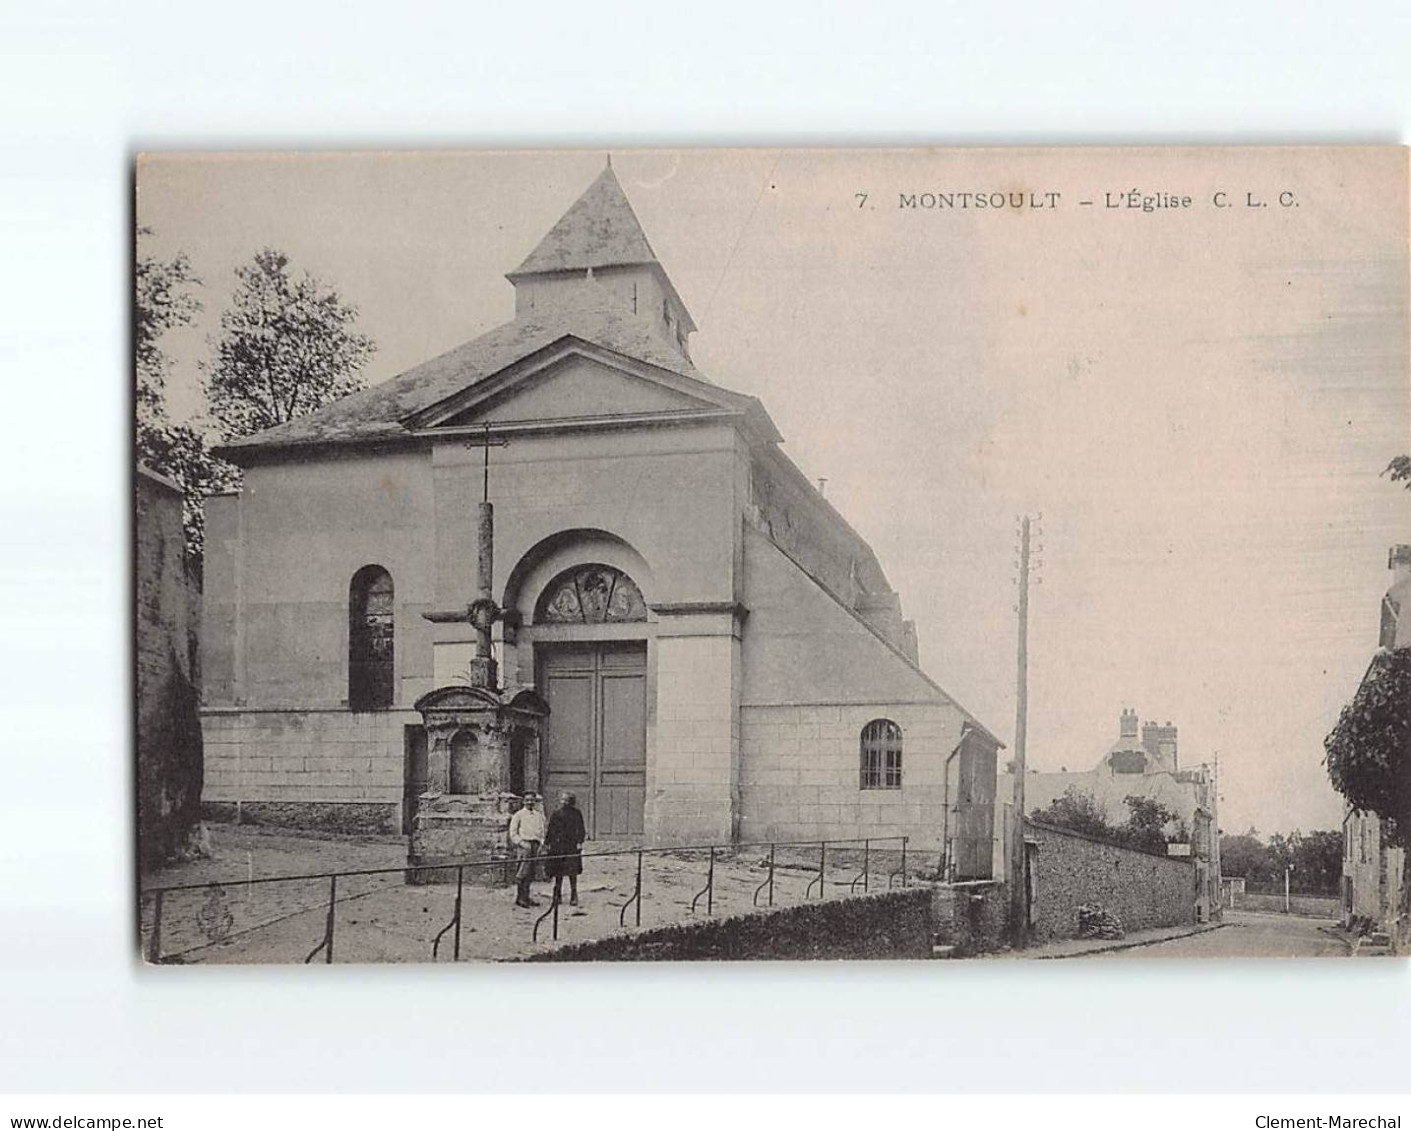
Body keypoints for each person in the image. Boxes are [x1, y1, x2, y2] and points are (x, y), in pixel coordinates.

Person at [544, 792, 587, 907]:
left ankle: (574, 894)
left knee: (572, 872)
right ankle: (557, 894)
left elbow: (581, 829)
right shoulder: (556, 814)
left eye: (566, 800)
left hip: (571, 846)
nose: (564, 802)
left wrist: (579, 842)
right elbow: (550, 829)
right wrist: (547, 843)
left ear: (571, 802)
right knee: (558, 871)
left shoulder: (577, 814)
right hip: (558, 846)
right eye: (562, 800)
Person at [508, 792, 546, 908]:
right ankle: (520, 898)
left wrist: (541, 844)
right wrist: (522, 843)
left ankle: (527, 896)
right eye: (527, 800)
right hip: (524, 846)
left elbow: (542, 831)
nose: (530, 802)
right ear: (523, 801)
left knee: (531, 872)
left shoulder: (538, 816)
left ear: (535, 801)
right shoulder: (518, 815)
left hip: (535, 845)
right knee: (523, 872)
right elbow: (513, 833)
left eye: (532, 800)